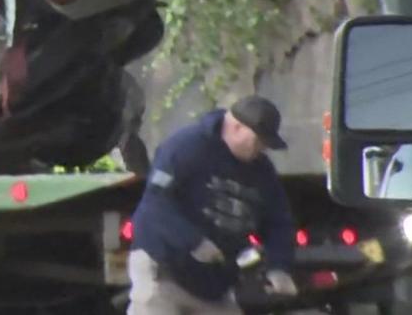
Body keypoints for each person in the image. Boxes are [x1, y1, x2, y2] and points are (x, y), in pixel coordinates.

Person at [128, 95, 298, 314]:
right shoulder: (187, 147)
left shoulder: (262, 171)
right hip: (163, 270)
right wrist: (194, 242)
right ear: (236, 127)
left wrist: (279, 267)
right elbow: (156, 205)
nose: (261, 149)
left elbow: (278, 222)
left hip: (214, 284)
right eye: (258, 141)